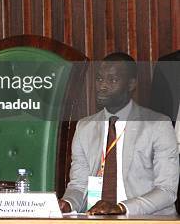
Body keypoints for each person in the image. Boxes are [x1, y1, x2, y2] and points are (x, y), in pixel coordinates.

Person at [59, 53, 178, 215]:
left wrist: (122, 208)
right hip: (96, 216)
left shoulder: (158, 125)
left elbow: (167, 190)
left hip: (146, 219)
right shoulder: (84, 127)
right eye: (99, 79)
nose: (103, 86)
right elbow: (78, 185)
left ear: (131, 84)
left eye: (113, 80)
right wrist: (68, 203)